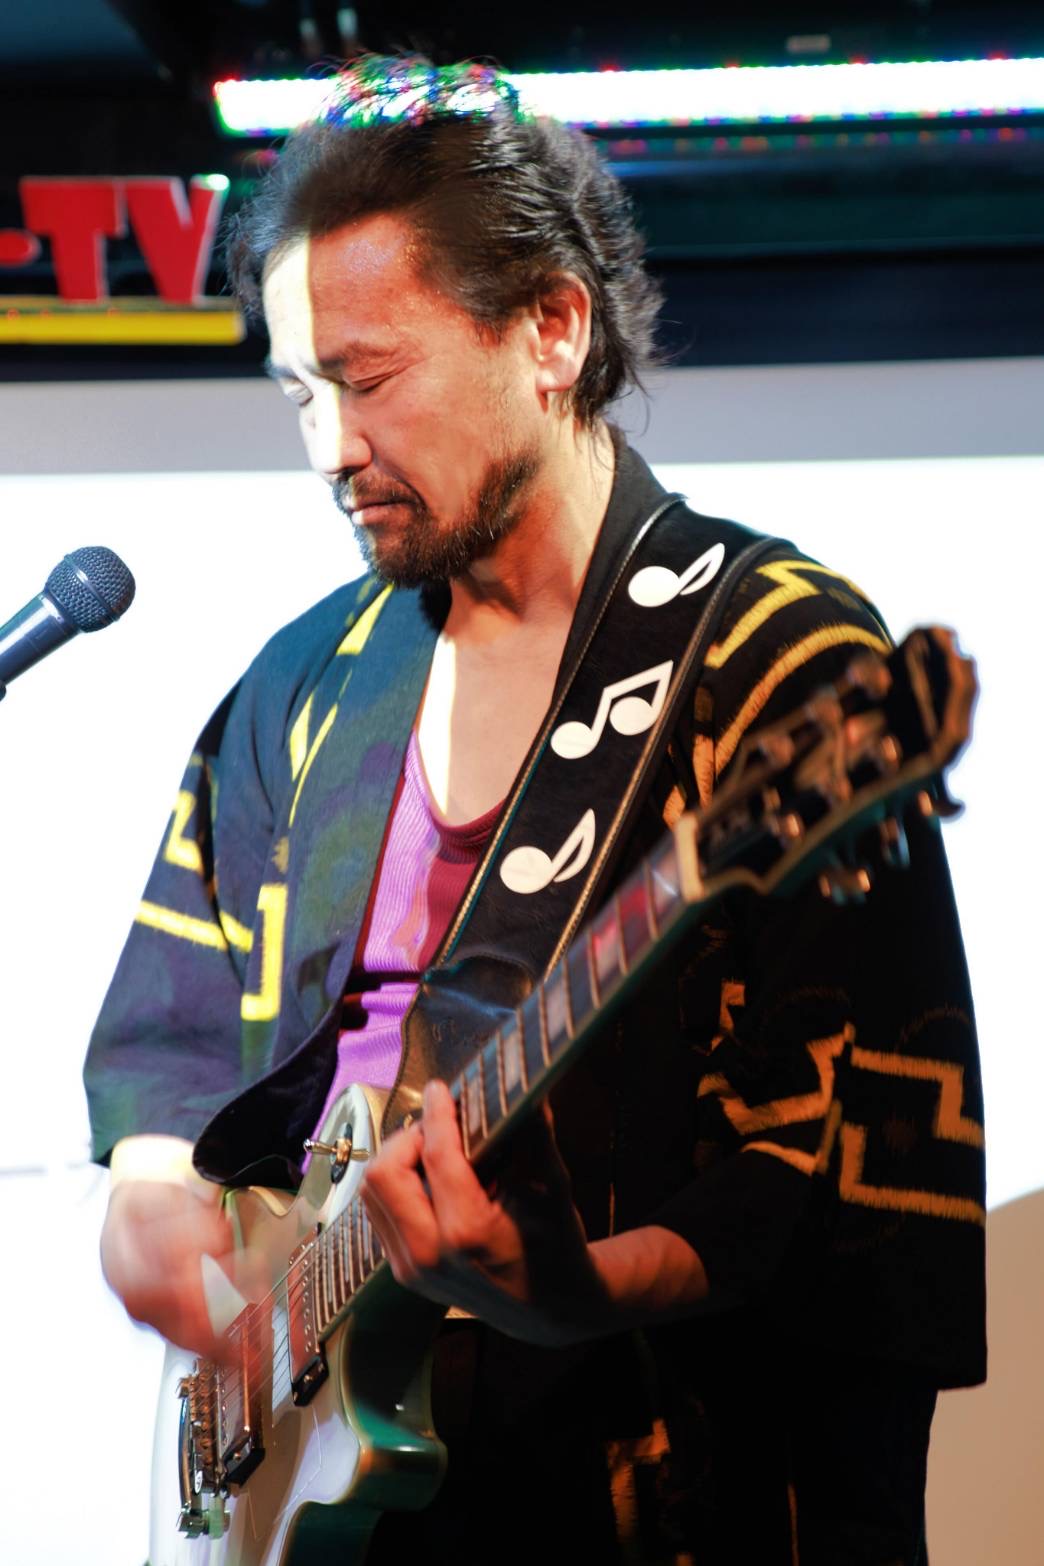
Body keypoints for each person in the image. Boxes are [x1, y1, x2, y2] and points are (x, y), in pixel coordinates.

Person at [86, 57, 985, 1565]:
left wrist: (560, 1285)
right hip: (324, 1487)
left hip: (636, 1491)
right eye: (300, 393)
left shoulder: (772, 658)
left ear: (552, 329)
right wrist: (154, 1194)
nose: (328, 448)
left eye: (370, 380)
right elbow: (172, 1020)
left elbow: (831, 1173)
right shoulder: (306, 684)